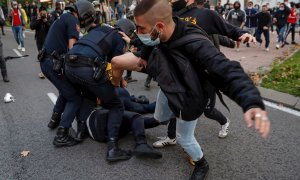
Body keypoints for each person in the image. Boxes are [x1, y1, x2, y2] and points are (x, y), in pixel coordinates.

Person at [111, 0, 271, 179]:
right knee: (159, 117)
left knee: (184, 138)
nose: (138, 34)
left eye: (140, 28)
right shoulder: (160, 32)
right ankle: (164, 122)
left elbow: (226, 69)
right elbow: (151, 43)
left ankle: (202, 164)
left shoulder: (195, 42)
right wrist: (144, 57)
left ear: (160, 26)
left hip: (190, 95)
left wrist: (251, 100)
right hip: (169, 85)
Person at [150, 0, 255, 148]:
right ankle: (171, 136)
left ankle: (224, 122)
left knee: (207, 110)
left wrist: (243, 34)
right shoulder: (169, 16)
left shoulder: (206, 15)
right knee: (175, 103)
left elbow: (228, 29)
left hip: (202, 77)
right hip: (177, 73)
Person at [64, 17, 136, 162]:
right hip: (86, 67)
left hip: (68, 65)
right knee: (116, 105)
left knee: (88, 94)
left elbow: (108, 63)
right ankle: (112, 148)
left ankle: (80, 132)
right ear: (127, 32)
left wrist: (118, 79)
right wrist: (116, 83)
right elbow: (117, 64)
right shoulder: (119, 38)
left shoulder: (100, 30)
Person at [39, 1, 83, 147]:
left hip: (47, 62)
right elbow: (73, 51)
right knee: (75, 97)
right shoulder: (72, 19)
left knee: (66, 90)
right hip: (53, 63)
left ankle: (55, 120)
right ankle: (62, 134)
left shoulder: (62, 18)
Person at [30, 6, 50, 79]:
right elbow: (32, 27)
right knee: (41, 56)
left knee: (48, 56)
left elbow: (52, 28)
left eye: (44, 13)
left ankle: (46, 70)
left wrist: (46, 21)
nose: (43, 15)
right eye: (41, 13)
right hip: (40, 41)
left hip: (49, 40)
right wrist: (38, 20)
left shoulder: (49, 17)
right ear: (39, 12)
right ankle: (43, 71)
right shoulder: (35, 18)